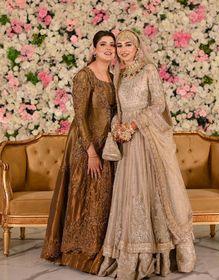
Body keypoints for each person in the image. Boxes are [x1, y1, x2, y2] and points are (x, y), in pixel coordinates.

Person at [98, 30, 196, 279]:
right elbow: (119, 110)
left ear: (138, 46)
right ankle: (132, 254)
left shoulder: (148, 70)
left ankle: (161, 255)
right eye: (119, 45)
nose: (122, 49)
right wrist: (118, 127)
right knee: (131, 193)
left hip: (147, 138)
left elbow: (158, 105)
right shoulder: (118, 74)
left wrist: (133, 125)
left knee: (154, 192)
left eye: (127, 44)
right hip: (128, 143)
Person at [41, 30, 116, 274]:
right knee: (85, 197)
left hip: (108, 146)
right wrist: (91, 152)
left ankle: (101, 247)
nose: (108, 48)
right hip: (86, 146)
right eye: (103, 44)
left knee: (102, 198)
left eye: (112, 45)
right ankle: (81, 251)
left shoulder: (114, 77)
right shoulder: (84, 76)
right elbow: (80, 116)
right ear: (94, 48)